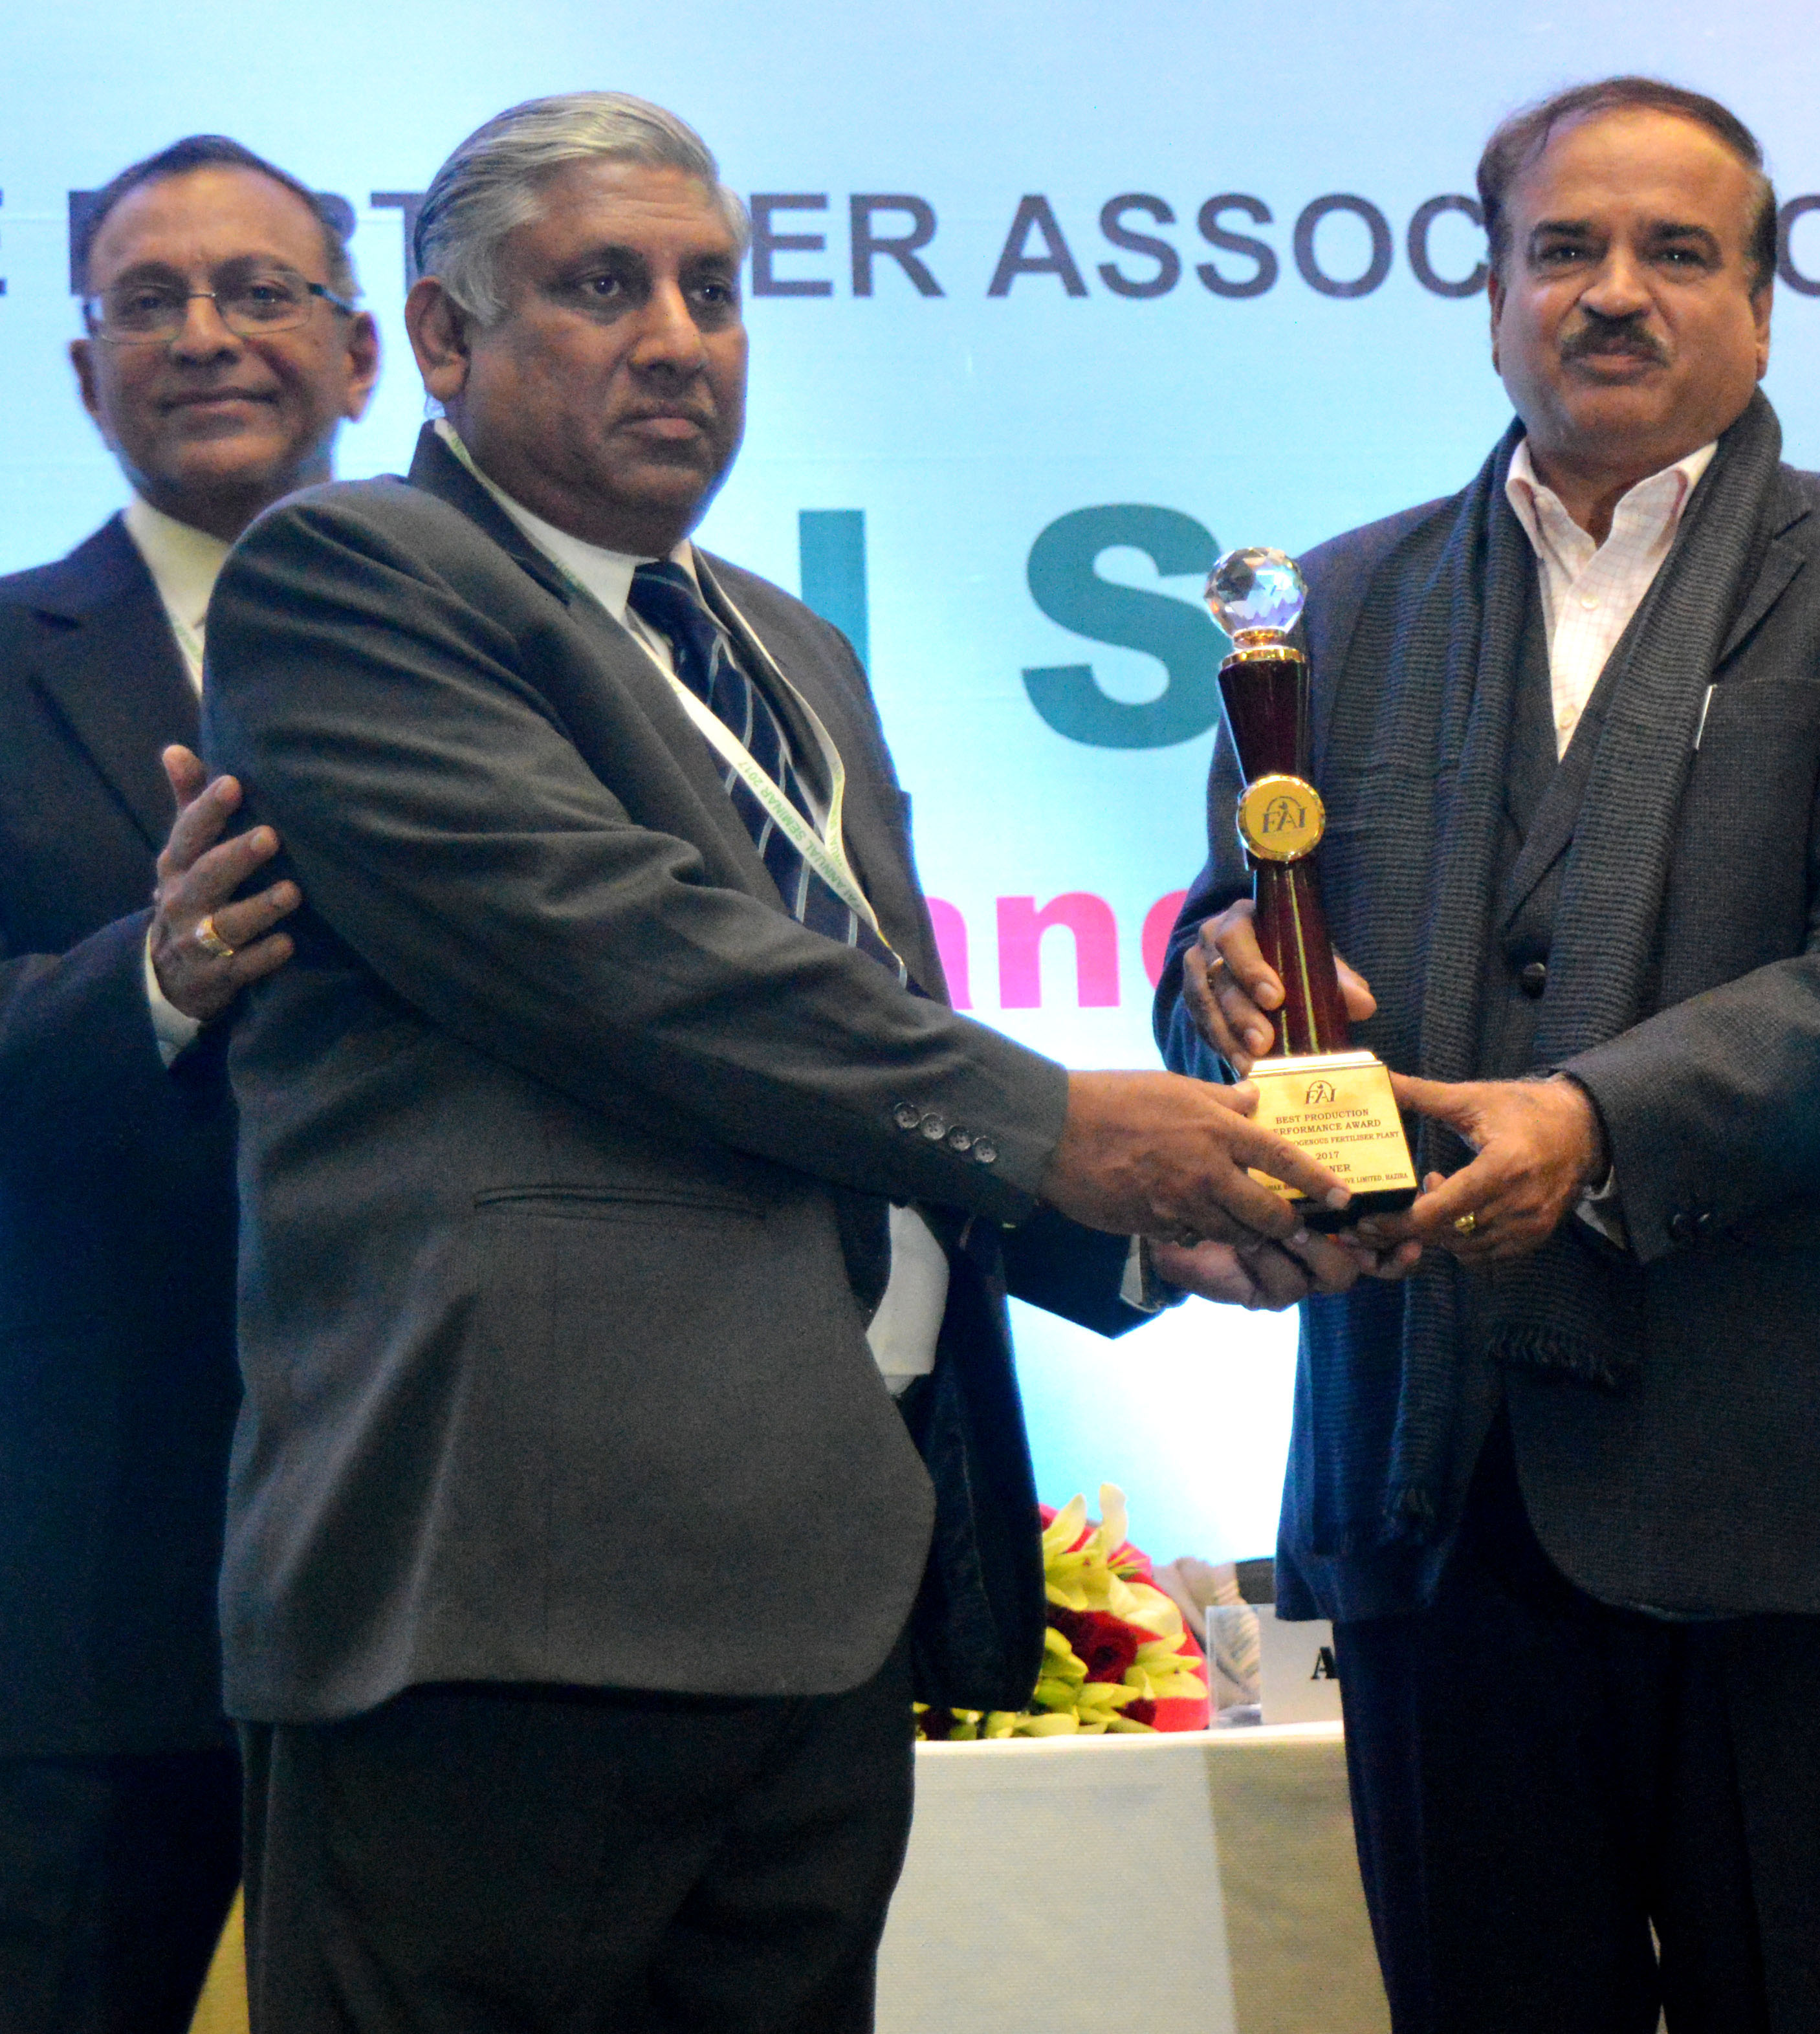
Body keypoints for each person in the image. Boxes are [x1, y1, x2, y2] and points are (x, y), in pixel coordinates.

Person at [199, 91, 1355, 2032]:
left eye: (714, 291)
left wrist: (1139, 1232)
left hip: (818, 1594)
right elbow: (635, 965)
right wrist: (1064, 1129)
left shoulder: (789, 647)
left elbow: (854, 1057)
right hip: (508, 1597)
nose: (679, 339)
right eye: (603, 287)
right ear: (445, 338)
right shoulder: (355, 580)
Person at [1158, 74, 1820, 2034]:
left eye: (1675, 252)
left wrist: (1594, 1124)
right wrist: (1216, 982)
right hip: (1428, 1491)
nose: (1613, 291)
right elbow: (1225, 937)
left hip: (1777, 1501)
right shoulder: (1335, 604)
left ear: (1762, 309)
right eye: (1564, 248)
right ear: (1492, 296)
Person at [0, 136, 377, 2032]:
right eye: (150, 303)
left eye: (260, 292)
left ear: (366, 352)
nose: (207, 336)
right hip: (87, 1582)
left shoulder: (521, 656)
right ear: (85, 376)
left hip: (438, 1566)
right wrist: (145, 981)